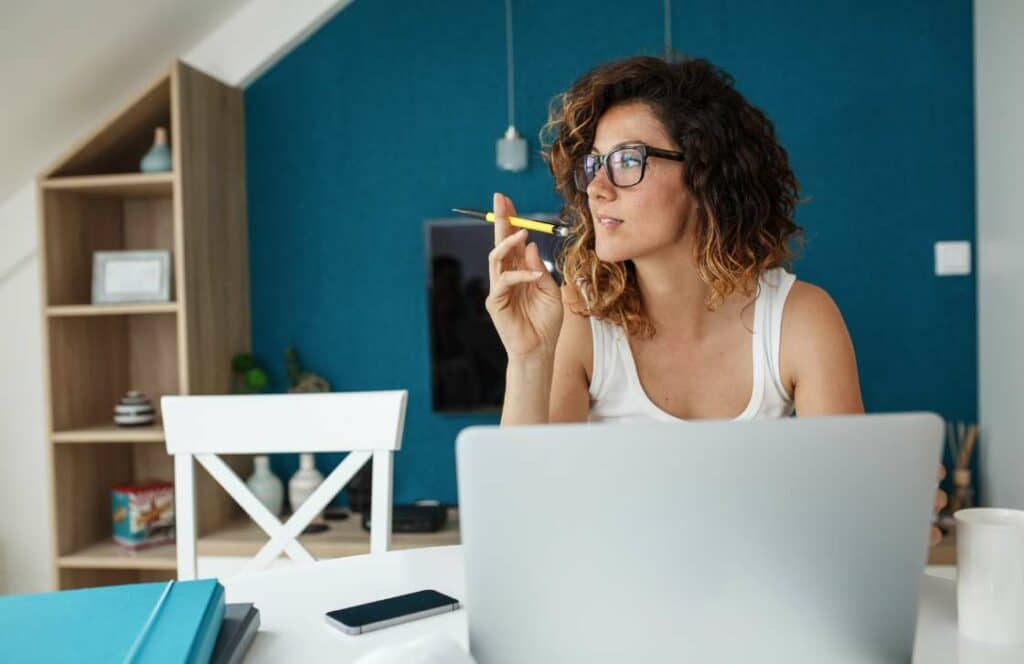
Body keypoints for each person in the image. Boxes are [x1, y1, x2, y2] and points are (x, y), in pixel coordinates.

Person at [483, 55, 946, 544]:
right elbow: (521, 527)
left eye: (626, 161)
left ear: (705, 175)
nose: (596, 188)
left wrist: (889, 516)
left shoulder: (801, 319)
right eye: (594, 164)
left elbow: (849, 516)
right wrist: (529, 358)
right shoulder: (582, 316)